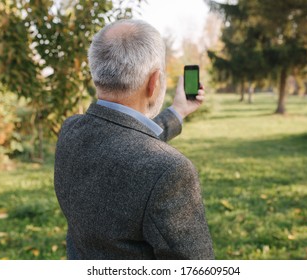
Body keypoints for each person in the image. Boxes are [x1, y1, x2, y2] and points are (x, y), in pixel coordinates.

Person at [54, 19, 214, 260]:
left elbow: (124, 139)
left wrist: (178, 111)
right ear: (154, 82)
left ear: (97, 72)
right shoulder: (170, 172)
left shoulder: (71, 131)